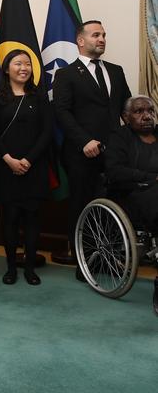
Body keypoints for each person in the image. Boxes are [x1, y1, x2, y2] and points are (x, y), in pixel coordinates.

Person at [54, 20, 131, 279]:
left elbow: (127, 110)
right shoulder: (65, 74)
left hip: (114, 154)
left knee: (114, 205)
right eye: (96, 34)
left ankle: (109, 258)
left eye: (104, 35)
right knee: (82, 205)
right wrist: (84, 140)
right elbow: (61, 112)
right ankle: (84, 262)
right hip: (80, 153)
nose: (102, 39)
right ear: (80, 40)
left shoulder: (116, 71)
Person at [0, 50, 52, 285]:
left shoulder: (39, 97)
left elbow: (47, 132)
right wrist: (8, 159)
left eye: (27, 64)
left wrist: (28, 160)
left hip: (34, 168)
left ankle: (29, 268)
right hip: (6, 167)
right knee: (10, 219)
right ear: (7, 69)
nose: (24, 68)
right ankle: (11, 268)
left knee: (32, 219)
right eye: (18, 63)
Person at [105, 95, 158, 314]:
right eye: (139, 112)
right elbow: (115, 171)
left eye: (150, 111)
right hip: (134, 194)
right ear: (126, 117)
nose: (147, 116)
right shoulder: (120, 137)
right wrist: (151, 178)